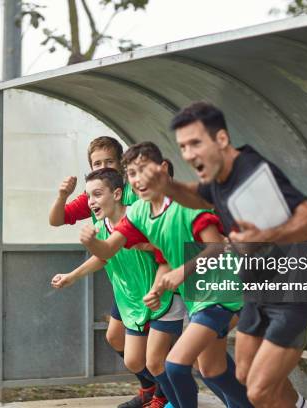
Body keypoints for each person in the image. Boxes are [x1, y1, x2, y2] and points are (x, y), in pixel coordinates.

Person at [142, 101, 307, 408]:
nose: (189, 154)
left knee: (258, 392)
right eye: (183, 146)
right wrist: (168, 185)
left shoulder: (253, 172)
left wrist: (264, 236)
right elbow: (196, 197)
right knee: (243, 374)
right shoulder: (218, 179)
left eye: (195, 143)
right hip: (258, 291)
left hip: (296, 293)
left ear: (222, 140)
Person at [80, 142, 251, 408]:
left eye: (144, 171)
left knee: (175, 363)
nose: (138, 179)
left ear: (162, 169)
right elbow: (109, 249)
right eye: (132, 174)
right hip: (197, 296)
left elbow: (216, 246)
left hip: (222, 290)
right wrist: (92, 242)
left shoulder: (187, 203)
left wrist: (180, 272)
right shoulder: (138, 212)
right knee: (211, 369)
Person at [51, 168, 184, 408]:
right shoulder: (102, 227)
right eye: (89, 196)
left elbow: (168, 246)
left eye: (97, 194)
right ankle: (168, 390)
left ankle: (177, 399)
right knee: (134, 361)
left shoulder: (140, 215)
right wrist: (72, 276)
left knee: (155, 362)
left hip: (162, 296)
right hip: (133, 301)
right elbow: (104, 256)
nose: (91, 202)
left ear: (117, 194)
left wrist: (150, 247)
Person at [47, 137, 150, 408]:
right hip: (125, 283)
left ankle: (163, 394)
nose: (104, 167)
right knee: (116, 338)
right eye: (97, 163)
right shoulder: (96, 195)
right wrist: (62, 195)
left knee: (154, 354)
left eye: (110, 162)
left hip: (151, 282)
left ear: (122, 164)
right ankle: (152, 389)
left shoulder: (133, 194)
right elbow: (57, 220)